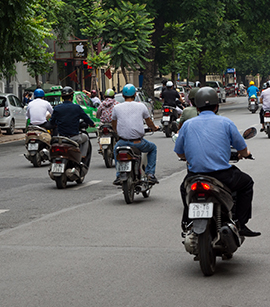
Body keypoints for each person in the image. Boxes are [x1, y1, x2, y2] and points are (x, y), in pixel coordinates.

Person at [173, 86, 259, 237]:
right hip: (222, 175)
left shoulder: (187, 124)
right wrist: (245, 154)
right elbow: (242, 148)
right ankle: (240, 223)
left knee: (184, 189)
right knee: (246, 183)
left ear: (197, 107)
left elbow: (179, 152)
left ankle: (187, 222)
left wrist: (188, 157)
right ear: (217, 106)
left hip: (195, 175)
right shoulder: (226, 122)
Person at [111, 84, 159, 185]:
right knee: (153, 148)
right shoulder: (141, 106)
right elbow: (149, 121)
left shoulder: (116, 108)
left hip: (122, 142)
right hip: (138, 142)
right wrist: (154, 128)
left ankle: (119, 175)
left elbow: (114, 123)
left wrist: (116, 132)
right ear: (135, 94)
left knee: (116, 150)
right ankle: (150, 174)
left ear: (123, 96)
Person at [49, 86, 95, 167]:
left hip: (61, 138)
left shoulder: (57, 108)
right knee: (86, 138)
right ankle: (82, 158)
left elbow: (52, 122)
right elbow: (86, 118)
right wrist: (92, 124)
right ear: (72, 96)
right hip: (74, 138)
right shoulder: (76, 107)